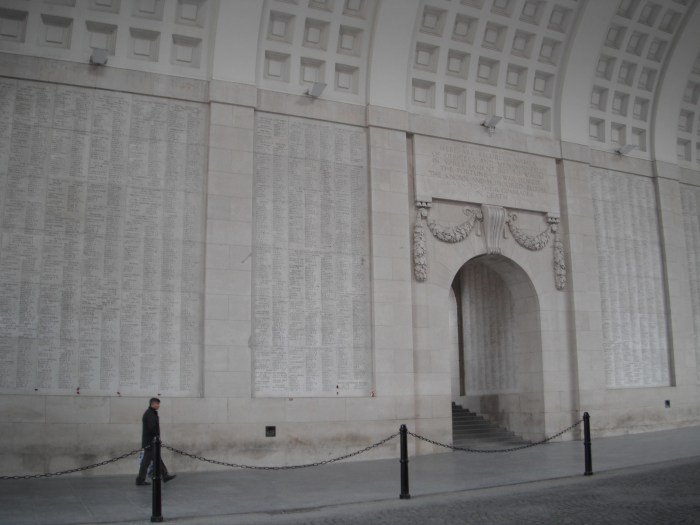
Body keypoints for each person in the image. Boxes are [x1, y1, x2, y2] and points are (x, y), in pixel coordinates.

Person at [136, 397, 176, 486]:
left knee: (156, 459)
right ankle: (141, 479)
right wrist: (156, 438)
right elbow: (152, 427)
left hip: (151, 442)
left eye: (158, 404)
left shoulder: (151, 413)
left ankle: (164, 475)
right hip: (151, 442)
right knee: (147, 461)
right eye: (157, 404)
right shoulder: (150, 414)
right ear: (152, 404)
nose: (158, 406)